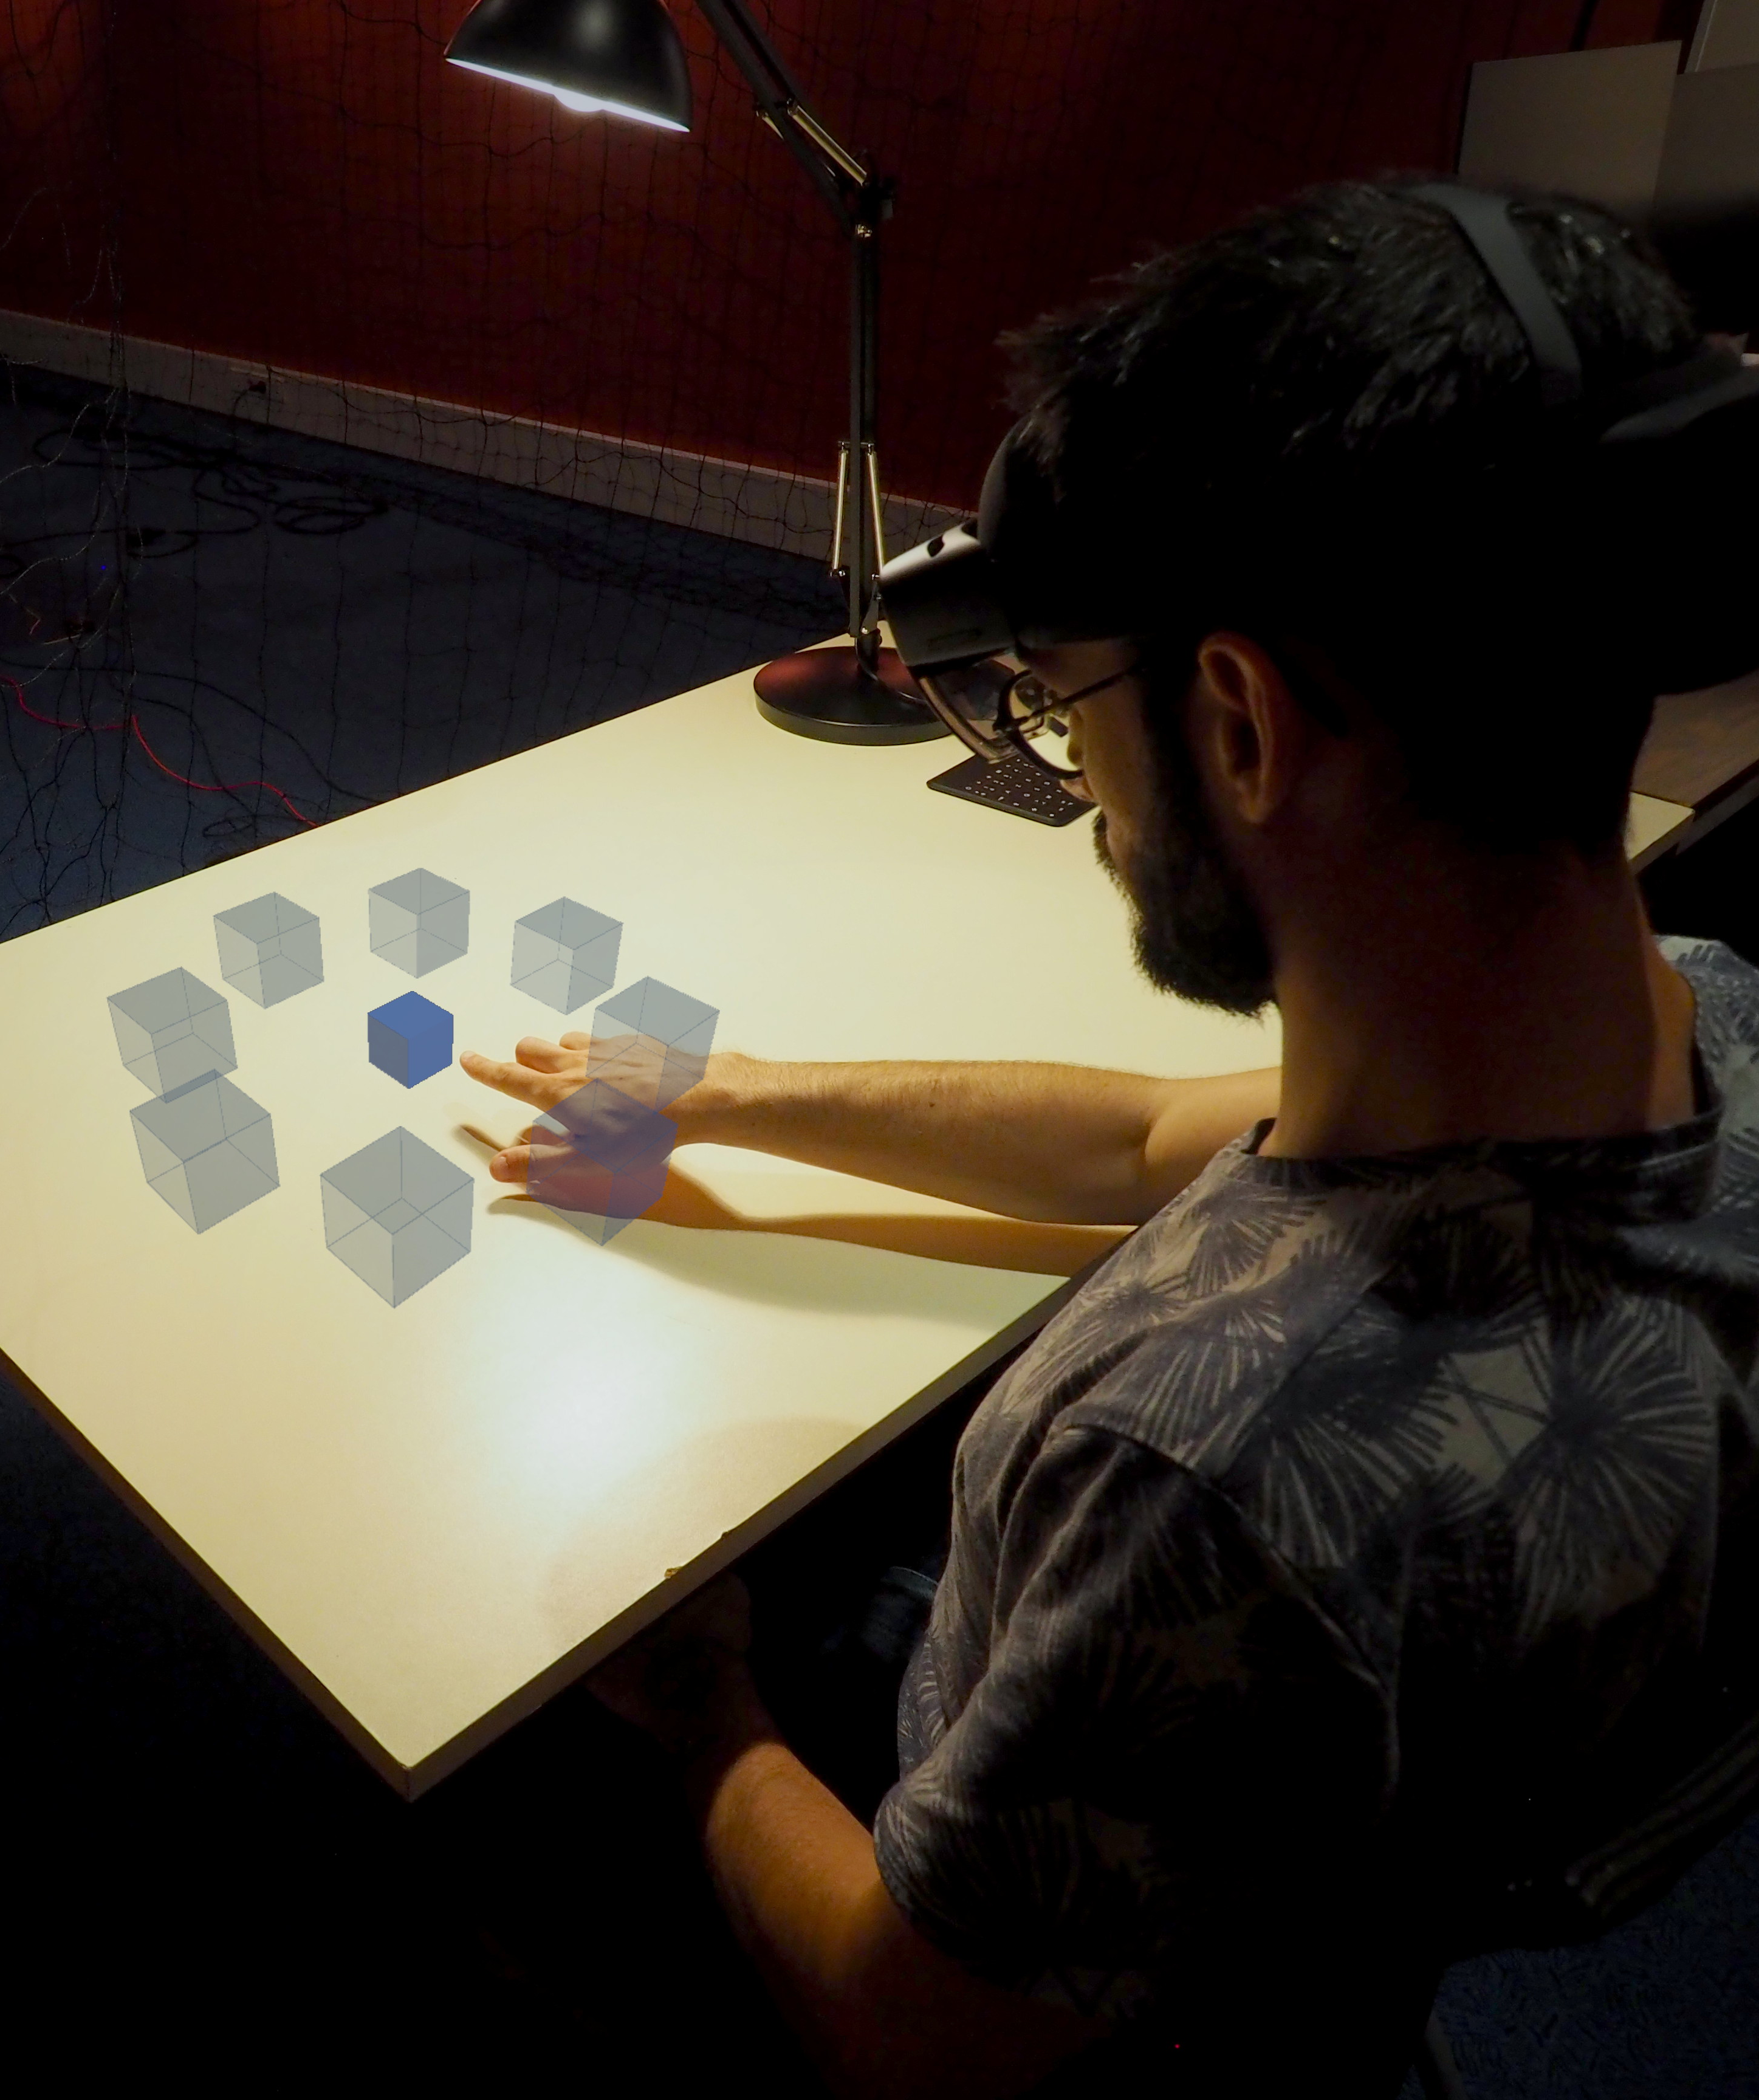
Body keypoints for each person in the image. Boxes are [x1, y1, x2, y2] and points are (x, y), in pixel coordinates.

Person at [461, 179, 1759, 2099]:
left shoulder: (1217, 1471)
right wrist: (727, 1096)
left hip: (1086, 1999)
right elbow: (1153, 1135)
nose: (1080, 789)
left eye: (1067, 713)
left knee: (483, 1780)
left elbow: (900, 2024)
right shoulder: (1702, 1018)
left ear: (1238, 722)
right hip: (1335, 1856)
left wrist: (708, 1702)